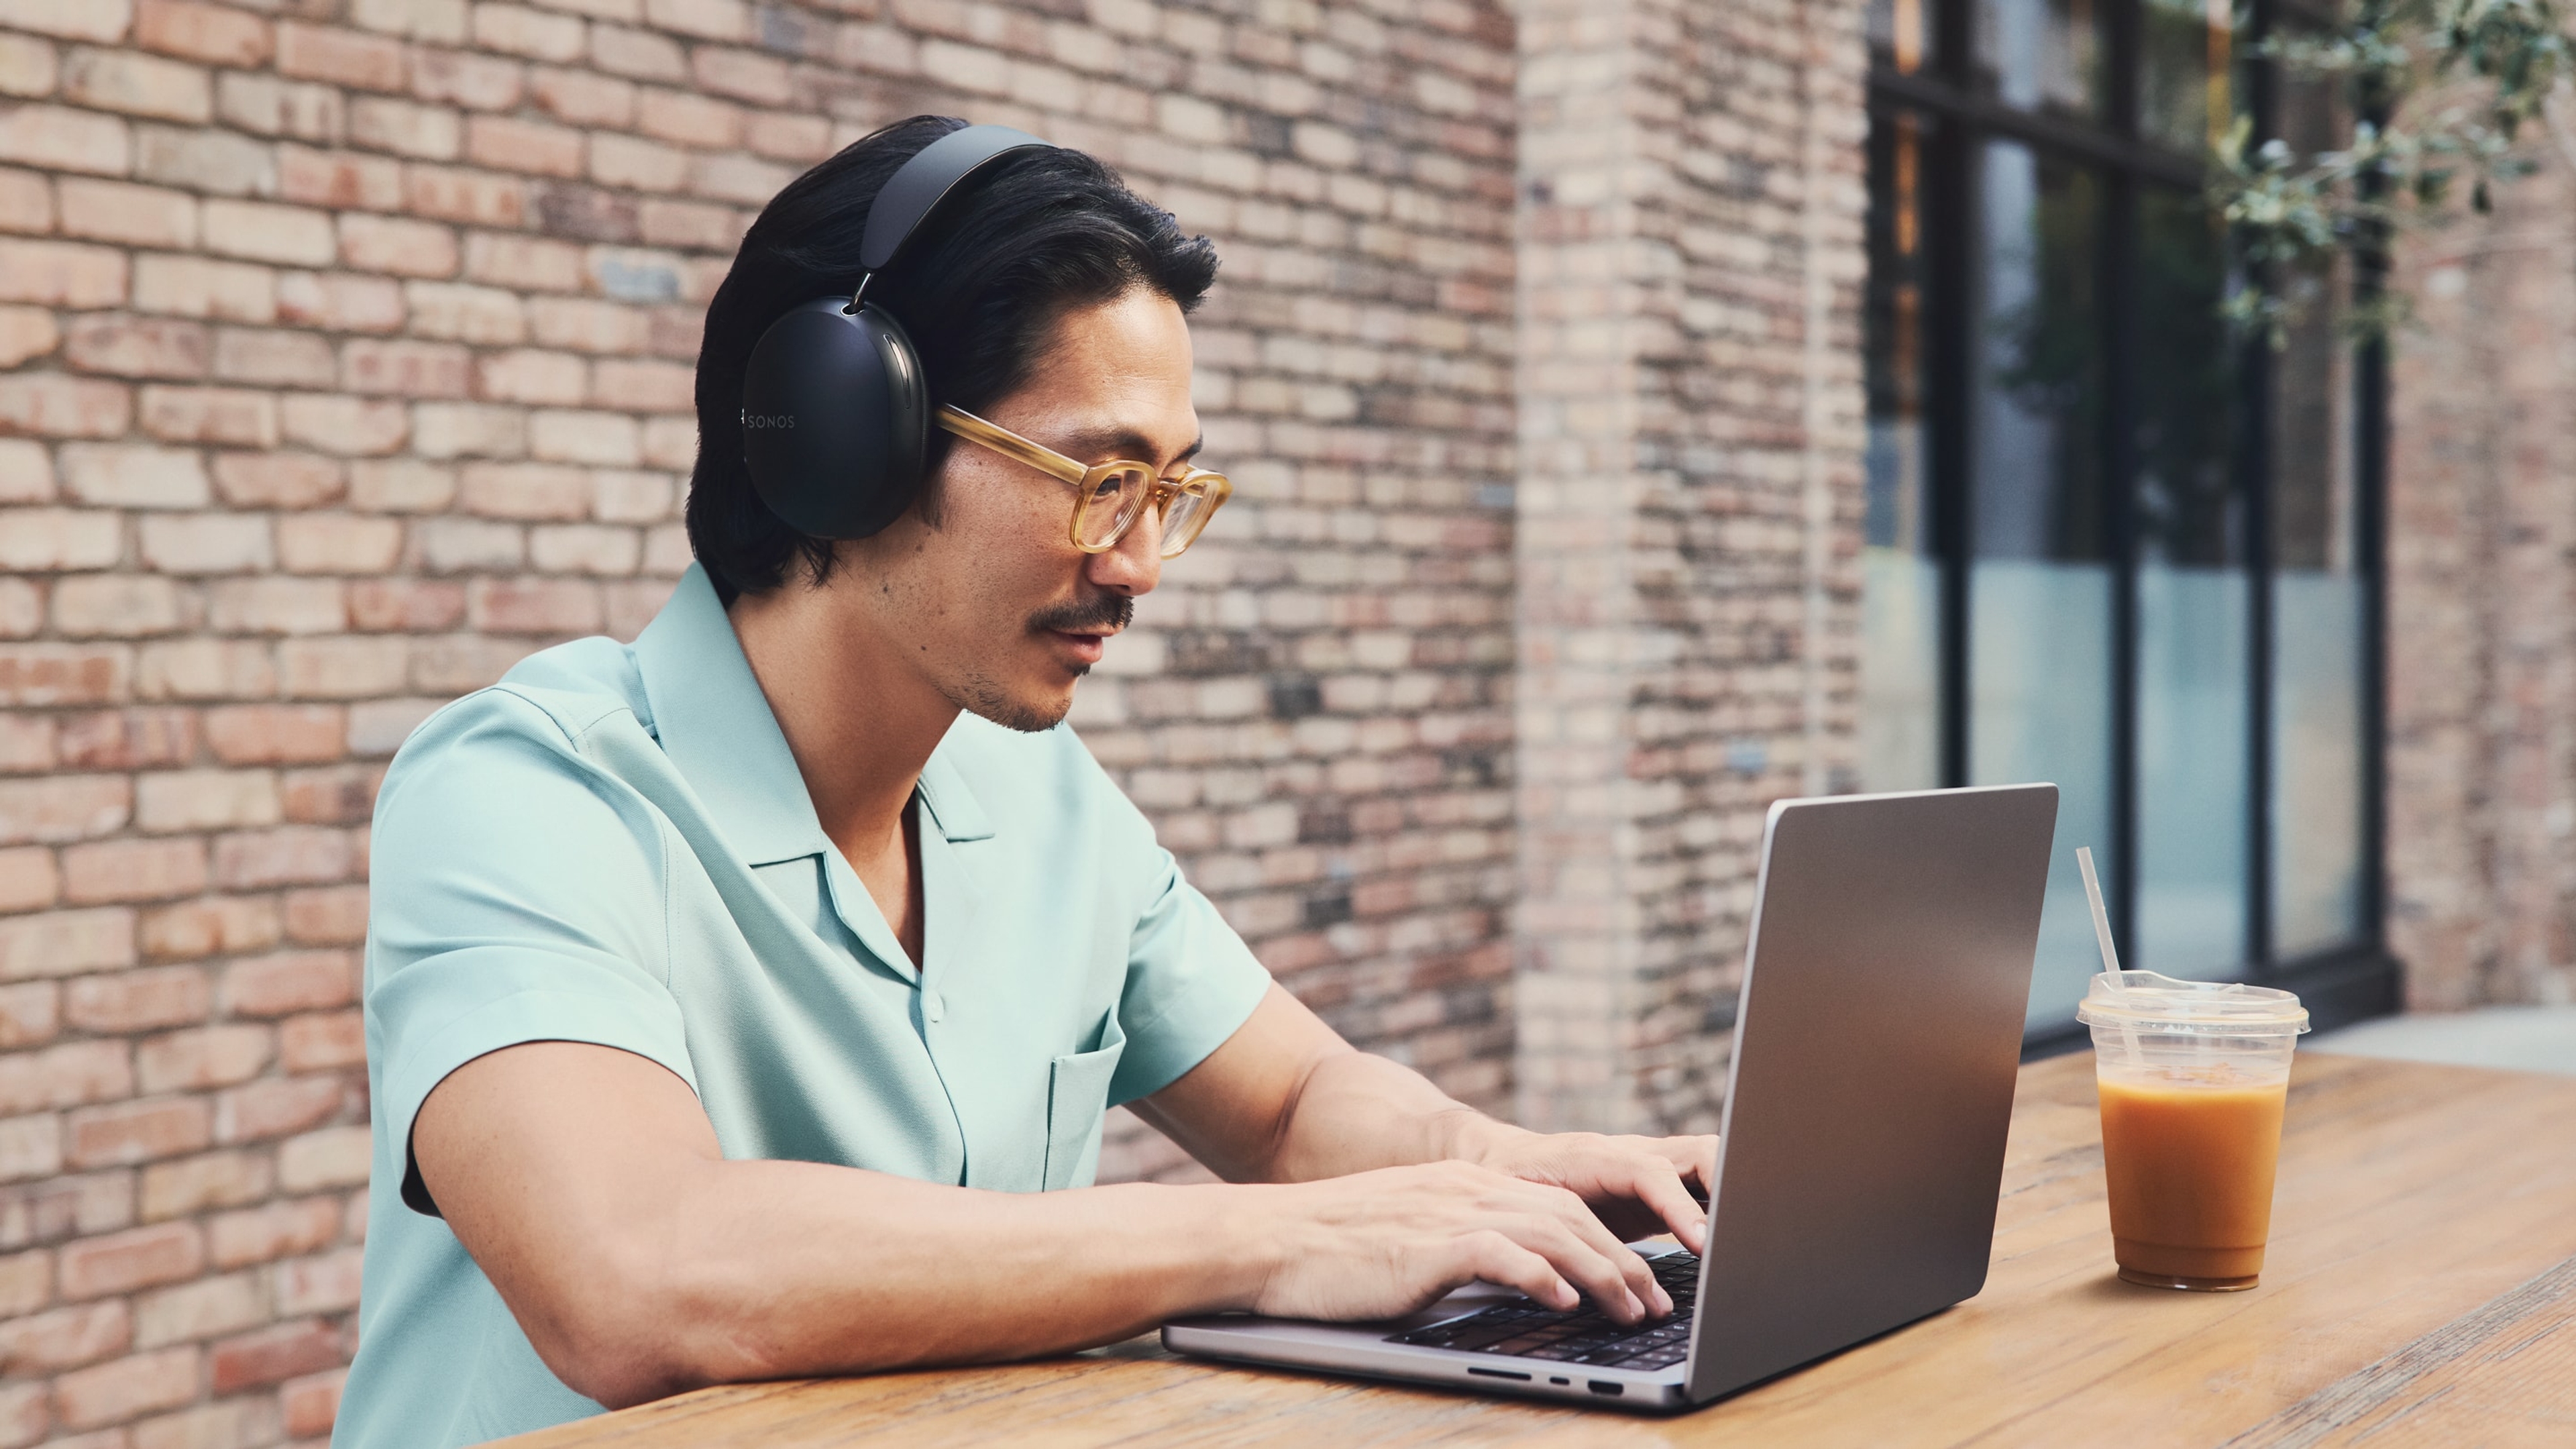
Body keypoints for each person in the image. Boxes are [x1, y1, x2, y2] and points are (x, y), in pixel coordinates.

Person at [335, 115, 1717, 1448]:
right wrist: (1277, 1243)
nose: (1140, 564)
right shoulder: (528, 791)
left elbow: (1292, 1102)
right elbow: (638, 1271)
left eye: (1168, 493)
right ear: (843, 435)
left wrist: (1490, 1165)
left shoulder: (1040, 799)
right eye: (1098, 479)